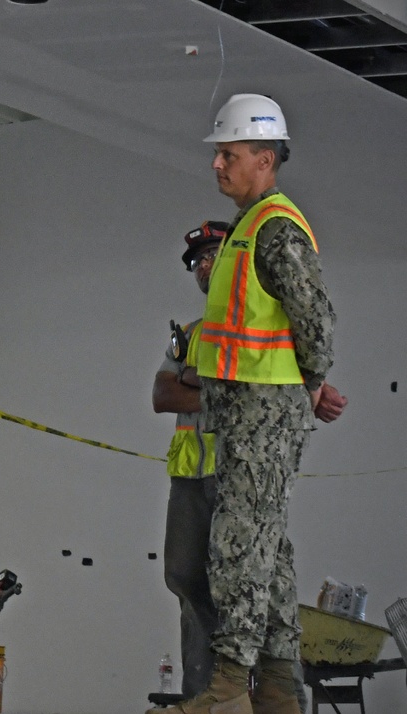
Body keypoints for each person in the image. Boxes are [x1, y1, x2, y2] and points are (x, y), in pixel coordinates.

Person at [152, 94, 348, 714]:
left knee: (237, 546)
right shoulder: (247, 228)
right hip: (244, 415)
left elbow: (316, 319)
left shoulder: (275, 228)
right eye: (218, 154)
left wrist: (309, 384)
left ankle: (231, 687)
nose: (218, 165)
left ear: (265, 159)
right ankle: (282, 691)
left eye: (230, 154)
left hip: (265, 415)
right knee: (270, 551)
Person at [152, 221, 228, 699]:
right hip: (188, 478)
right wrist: (209, 383)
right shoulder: (191, 333)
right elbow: (162, 394)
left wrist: (195, 381)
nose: (203, 265)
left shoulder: (249, 326)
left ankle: (242, 692)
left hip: (233, 478)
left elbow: (248, 391)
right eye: (197, 260)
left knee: (235, 585)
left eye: (212, 255)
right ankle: (201, 695)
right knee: (182, 576)